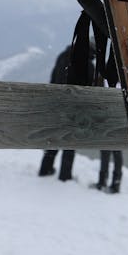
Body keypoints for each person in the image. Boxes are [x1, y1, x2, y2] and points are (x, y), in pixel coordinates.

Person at [38, 43, 83, 182]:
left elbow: (53, 78)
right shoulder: (85, 63)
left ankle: (45, 169)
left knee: (53, 139)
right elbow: (87, 89)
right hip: (73, 109)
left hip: (57, 105)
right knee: (70, 143)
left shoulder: (62, 57)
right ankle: (65, 176)